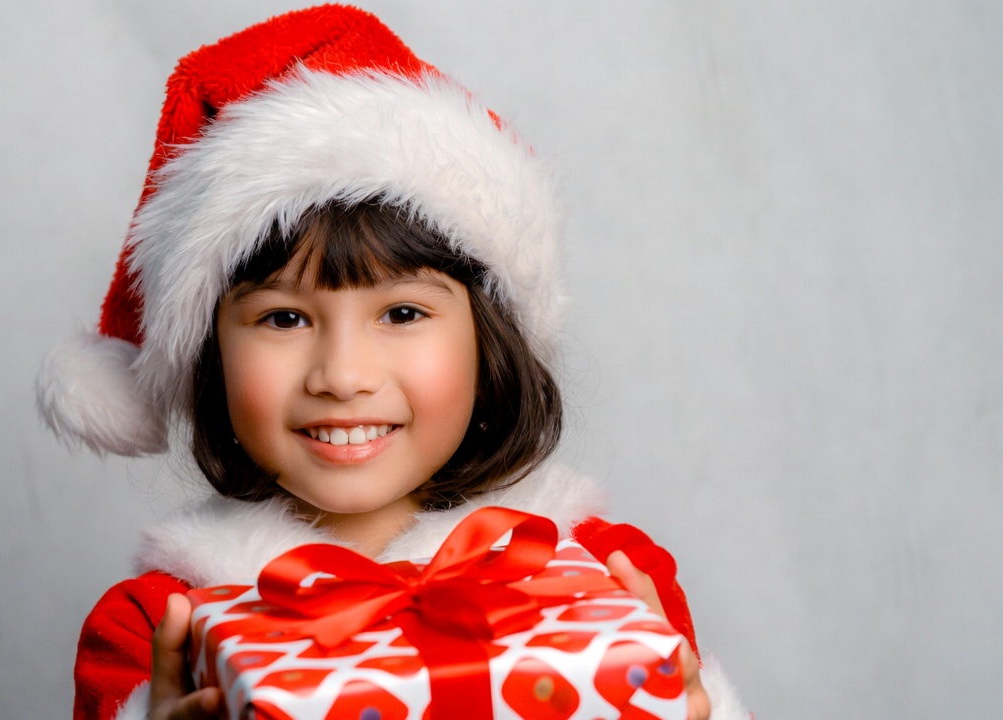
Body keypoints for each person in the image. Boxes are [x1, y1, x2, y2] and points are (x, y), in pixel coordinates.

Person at [37, 6, 749, 720]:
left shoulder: (606, 575)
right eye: (283, 318)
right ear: (210, 357)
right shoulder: (158, 627)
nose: (343, 377)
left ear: (487, 340)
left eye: (402, 314)